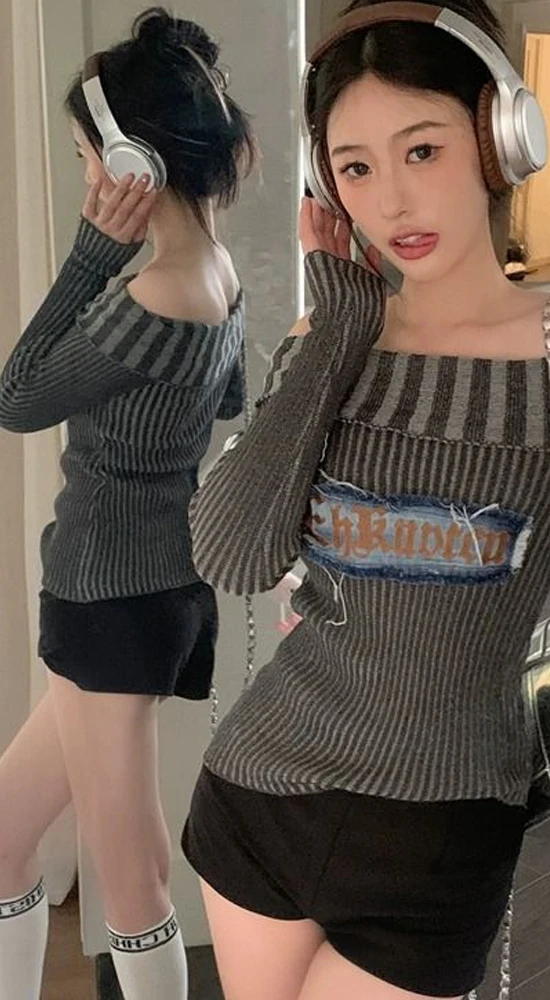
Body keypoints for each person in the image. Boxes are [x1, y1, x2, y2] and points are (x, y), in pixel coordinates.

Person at [182, 2, 550, 998]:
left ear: (499, 139)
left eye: (423, 148)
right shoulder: (330, 340)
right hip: (256, 794)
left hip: (436, 837)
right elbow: (232, 554)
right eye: (355, 167)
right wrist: (337, 332)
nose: (393, 197)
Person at [0, 8, 253, 1000]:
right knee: (4, 835)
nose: (87, 182)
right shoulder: (215, 274)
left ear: (131, 163)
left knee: (133, 879)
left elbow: (17, 396)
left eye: (86, 159)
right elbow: (224, 402)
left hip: (111, 600)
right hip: (142, 591)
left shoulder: (154, 294)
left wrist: (90, 254)